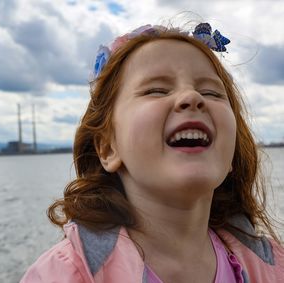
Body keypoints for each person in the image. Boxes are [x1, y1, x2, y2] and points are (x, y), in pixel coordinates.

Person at [21, 22, 284, 283]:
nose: (192, 97)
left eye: (211, 92)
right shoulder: (61, 275)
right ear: (108, 148)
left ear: (231, 152)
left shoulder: (274, 267)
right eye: (156, 90)